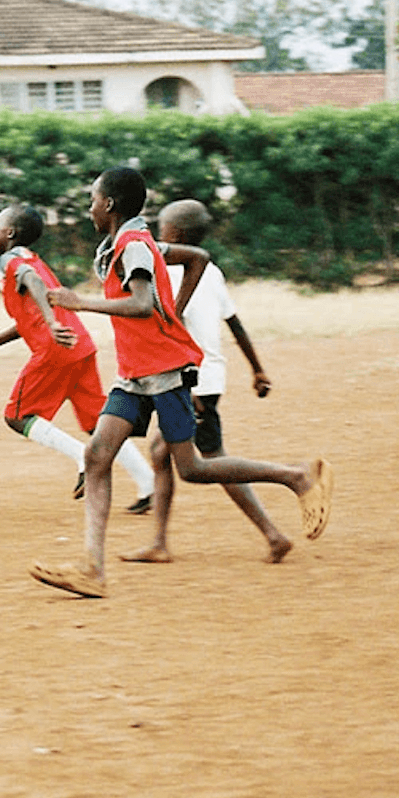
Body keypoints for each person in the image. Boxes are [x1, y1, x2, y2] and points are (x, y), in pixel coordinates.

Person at [30, 168, 332, 599]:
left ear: (110, 205)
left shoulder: (135, 245)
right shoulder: (132, 242)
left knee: (193, 467)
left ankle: (296, 476)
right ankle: (92, 570)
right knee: (98, 456)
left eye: (93, 199)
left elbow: (140, 303)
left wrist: (85, 304)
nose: (90, 207)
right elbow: (198, 257)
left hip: (165, 372)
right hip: (134, 374)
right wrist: (174, 309)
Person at [119, 198, 294, 564]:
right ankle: (159, 543)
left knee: (209, 461)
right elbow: (234, 321)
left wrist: (191, 388)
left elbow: (174, 325)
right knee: (160, 453)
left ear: (176, 235)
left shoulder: (174, 272)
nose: (156, 234)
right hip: (202, 376)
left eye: (161, 228)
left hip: (192, 378)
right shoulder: (209, 270)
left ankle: (277, 523)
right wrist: (256, 368)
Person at [0, 204, 156, 514]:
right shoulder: (35, 261)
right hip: (79, 345)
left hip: (55, 349)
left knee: (17, 415)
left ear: (10, 234)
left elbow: (34, 286)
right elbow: (32, 313)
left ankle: (81, 457)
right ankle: (148, 483)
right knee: (99, 424)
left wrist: (52, 324)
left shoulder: (11, 259)